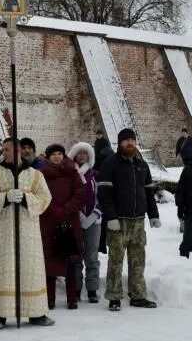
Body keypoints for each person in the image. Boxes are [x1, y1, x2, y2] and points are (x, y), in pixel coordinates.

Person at [0, 137, 55, 330]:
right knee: (4, 270)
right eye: (3, 149)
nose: (4, 152)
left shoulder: (35, 175)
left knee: (30, 269)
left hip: (28, 229)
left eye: (8, 149)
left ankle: (36, 313)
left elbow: (45, 198)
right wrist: (5, 197)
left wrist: (25, 198)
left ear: (19, 150)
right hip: (4, 230)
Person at [98, 128, 161, 311]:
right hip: (118, 221)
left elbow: (149, 192)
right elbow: (104, 193)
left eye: (132, 140)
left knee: (138, 260)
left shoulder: (142, 164)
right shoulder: (111, 163)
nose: (130, 143)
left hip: (138, 221)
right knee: (116, 260)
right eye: (126, 140)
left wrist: (154, 214)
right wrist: (111, 217)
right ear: (120, 143)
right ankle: (114, 296)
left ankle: (138, 295)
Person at [39, 144, 85, 310]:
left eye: (60, 153)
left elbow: (80, 194)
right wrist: (54, 209)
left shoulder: (72, 172)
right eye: (54, 154)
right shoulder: (42, 175)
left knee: (71, 260)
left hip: (70, 220)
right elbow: (39, 194)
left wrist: (65, 209)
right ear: (48, 157)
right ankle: (49, 298)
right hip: (49, 221)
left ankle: (72, 298)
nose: (57, 157)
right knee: (50, 260)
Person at [69, 142, 101, 303]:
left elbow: (101, 196)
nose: (82, 155)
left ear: (89, 156)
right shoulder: (69, 174)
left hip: (94, 219)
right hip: (75, 218)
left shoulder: (95, 174)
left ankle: (92, 288)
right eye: (79, 153)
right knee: (75, 255)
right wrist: (77, 214)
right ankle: (75, 287)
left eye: (85, 153)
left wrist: (95, 213)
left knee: (92, 255)